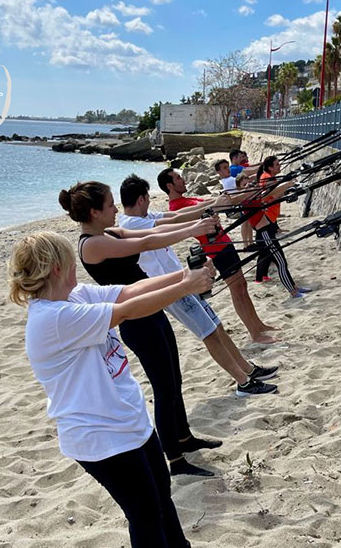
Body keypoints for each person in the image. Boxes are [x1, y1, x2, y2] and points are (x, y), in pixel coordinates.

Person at [7, 231, 212, 547]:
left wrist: (184, 275)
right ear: (58, 267)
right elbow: (127, 312)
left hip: (130, 422)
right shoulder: (52, 318)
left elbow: (128, 293)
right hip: (99, 436)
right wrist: (186, 287)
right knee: (145, 515)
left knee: (161, 500)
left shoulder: (73, 296)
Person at [59, 181, 221, 477]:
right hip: (135, 319)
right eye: (110, 205)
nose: (115, 209)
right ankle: (175, 458)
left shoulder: (109, 232)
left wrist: (195, 224)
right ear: (94, 212)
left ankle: (184, 437)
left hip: (151, 308)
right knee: (164, 387)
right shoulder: (92, 244)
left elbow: (153, 233)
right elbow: (145, 244)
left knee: (175, 378)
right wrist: (194, 230)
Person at [118, 174, 279, 396]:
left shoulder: (143, 216)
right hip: (171, 291)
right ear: (141, 199)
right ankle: (243, 383)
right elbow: (170, 224)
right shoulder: (132, 223)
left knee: (216, 326)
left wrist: (211, 205)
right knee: (209, 332)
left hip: (184, 281)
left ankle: (248, 370)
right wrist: (197, 224)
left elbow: (176, 215)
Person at [156, 168, 279, 343]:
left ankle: (258, 325)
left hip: (224, 243)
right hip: (216, 249)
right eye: (178, 178)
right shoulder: (177, 206)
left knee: (242, 286)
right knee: (237, 290)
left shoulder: (187, 199)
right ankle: (255, 334)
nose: (183, 180)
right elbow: (208, 209)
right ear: (170, 185)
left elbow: (212, 204)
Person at [250, 156, 312, 298]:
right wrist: (287, 186)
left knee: (278, 259)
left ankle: (294, 287)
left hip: (269, 225)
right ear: (270, 167)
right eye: (277, 165)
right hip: (265, 229)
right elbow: (268, 196)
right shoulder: (267, 179)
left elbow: (273, 196)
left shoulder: (267, 178)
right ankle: (293, 292)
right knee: (280, 261)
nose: (279, 167)